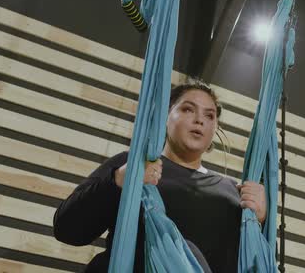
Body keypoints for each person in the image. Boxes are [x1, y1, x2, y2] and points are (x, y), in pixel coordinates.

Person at [53, 80, 267, 272]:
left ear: (215, 130)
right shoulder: (133, 165)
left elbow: (253, 263)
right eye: (187, 109)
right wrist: (118, 180)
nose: (199, 120)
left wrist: (259, 221)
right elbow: (68, 229)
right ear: (165, 117)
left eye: (209, 115)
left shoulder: (233, 191)